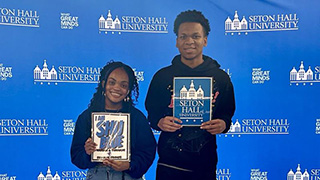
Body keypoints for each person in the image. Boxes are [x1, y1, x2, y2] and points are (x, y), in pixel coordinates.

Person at [145, 10, 236, 180]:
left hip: (205, 162)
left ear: (205, 40)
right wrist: (159, 122)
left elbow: (226, 112)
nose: (189, 42)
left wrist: (223, 124)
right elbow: (152, 113)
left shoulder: (220, 78)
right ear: (177, 41)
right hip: (170, 162)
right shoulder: (162, 77)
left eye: (195, 36)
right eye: (183, 36)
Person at [71, 61, 156, 180]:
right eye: (112, 82)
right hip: (97, 175)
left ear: (128, 90)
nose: (117, 88)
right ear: (103, 84)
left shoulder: (137, 118)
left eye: (124, 85)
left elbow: (147, 152)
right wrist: (87, 153)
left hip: (128, 176)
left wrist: (130, 165)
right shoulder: (86, 117)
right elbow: (76, 156)